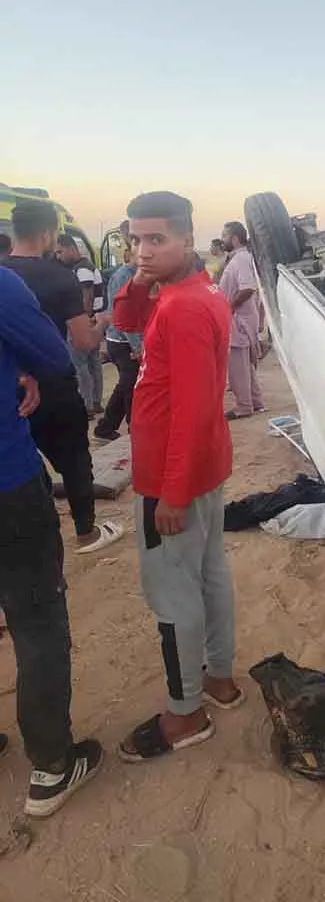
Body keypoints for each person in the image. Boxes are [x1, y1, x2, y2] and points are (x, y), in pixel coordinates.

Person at [113, 191, 242, 763]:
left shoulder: (184, 307)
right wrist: (139, 281)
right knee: (209, 574)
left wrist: (172, 491)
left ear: (188, 238)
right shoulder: (193, 290)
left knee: (173, 593)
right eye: (135, 239)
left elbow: (192, 409)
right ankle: (219, 678)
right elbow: (125, 321)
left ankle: (185, 712)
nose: (142, 251)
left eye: (156, 239)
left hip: (174, 474)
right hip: (202, 466)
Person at [0, 265, 103, 816]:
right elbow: (54, 357)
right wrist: (20, 368)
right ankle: (52, 765)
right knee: (36, 617)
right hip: (7, 485)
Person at [2, 200, 123, 553]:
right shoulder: (59, 277)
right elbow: (83, 341)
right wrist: (103, 322)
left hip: (12, 384)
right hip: (53, 383)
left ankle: (40, 525)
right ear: (47, 233)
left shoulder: (3, 273)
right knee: (74, 460)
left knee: (26, 460)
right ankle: (86, 533)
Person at [94, 222, 143, 441]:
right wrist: (138, 347)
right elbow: (125, 316)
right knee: (131, 385)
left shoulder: (138, 275)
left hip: (127, 339)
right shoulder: (125, 276)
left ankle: (105, 428)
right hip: (123, 341)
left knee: (126, 385)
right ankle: (135, 428)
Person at [219, 221, 266, 419]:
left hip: (238, 320)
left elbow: (247, 288)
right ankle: (255, 402)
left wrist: (228, 307)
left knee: (237, 365)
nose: (222, 240)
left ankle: (243, 406)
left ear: (235, 238)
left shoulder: (240, 259)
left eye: (224, 236)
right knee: (246, 364)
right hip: (241, 318)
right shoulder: (240, 258)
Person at [55, 234, 105, 417]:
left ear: (71, 248)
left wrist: (82, 319)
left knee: (81, 365)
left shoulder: (82, 269)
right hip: (93, 320)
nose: (58, 256)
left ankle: (87, 405)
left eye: (60, 252)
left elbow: (87, 297)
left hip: (85, 321)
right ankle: (96, 402)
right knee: (93, 364)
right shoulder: (88, 266)